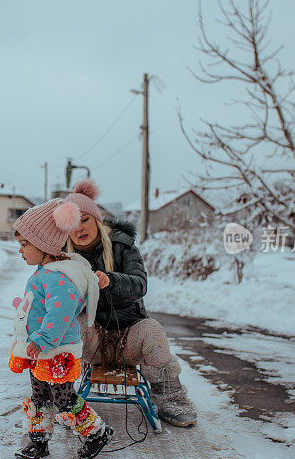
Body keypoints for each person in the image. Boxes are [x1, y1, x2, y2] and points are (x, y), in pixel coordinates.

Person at [64, 179, 197, 427]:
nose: (79, 228)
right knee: (72, 324)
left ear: (97, 219)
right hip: (93, 342)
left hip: (129, 341)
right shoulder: (66, 259)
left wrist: (111, 281)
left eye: (84, 220)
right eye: (72, 223)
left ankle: (171, 398)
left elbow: (140, 284)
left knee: (153, 329)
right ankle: (62, 397)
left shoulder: (123, 246)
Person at [8, 198, 115, 459]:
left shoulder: (59, 276)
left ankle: (96, 433)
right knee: (39, 397)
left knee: (63, 398)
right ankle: (39, 441)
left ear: (43, 245)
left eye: (25, 245)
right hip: (39, 351)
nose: (21, 251)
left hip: (56, 352)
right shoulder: (45, 271)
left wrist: (43, 339)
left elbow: (61, 313)